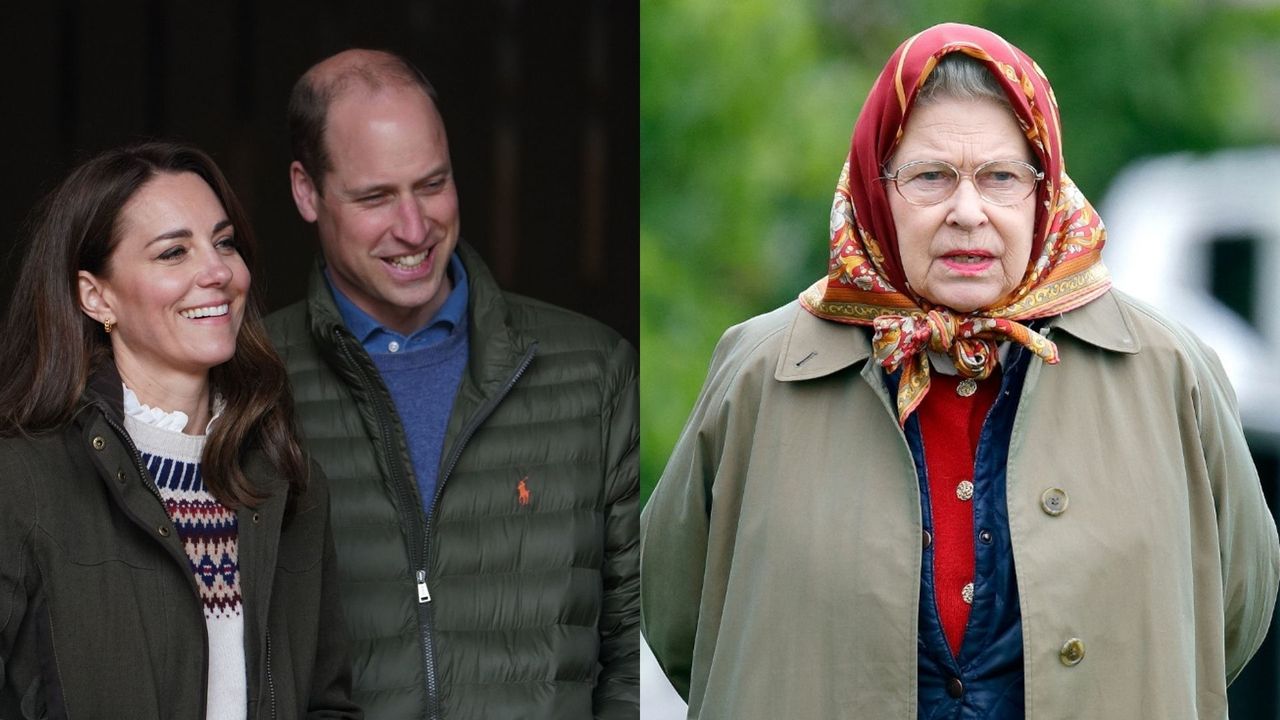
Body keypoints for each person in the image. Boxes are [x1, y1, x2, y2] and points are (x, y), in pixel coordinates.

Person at [641, 22, 1280, 719]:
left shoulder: (1170, 374)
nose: (967, 212)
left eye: (1002, 177)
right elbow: (680, 617)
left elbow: (1232, 611)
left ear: (1045, 190)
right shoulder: (761, 373)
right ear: (875, 188)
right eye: (930, 177)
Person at [265, 49, 638, 718]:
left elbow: (638, 642)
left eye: (432, 184)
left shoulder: (593, 369)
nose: (414, 228)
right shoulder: (252, 381)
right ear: (305, 191)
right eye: (376, 197)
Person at [0, 142, 359, 718]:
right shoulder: (20, 481)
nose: (217, 271)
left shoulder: (290, 480)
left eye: (223, 242)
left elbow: (326, 702)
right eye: (173, 253)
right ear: (96, 296)